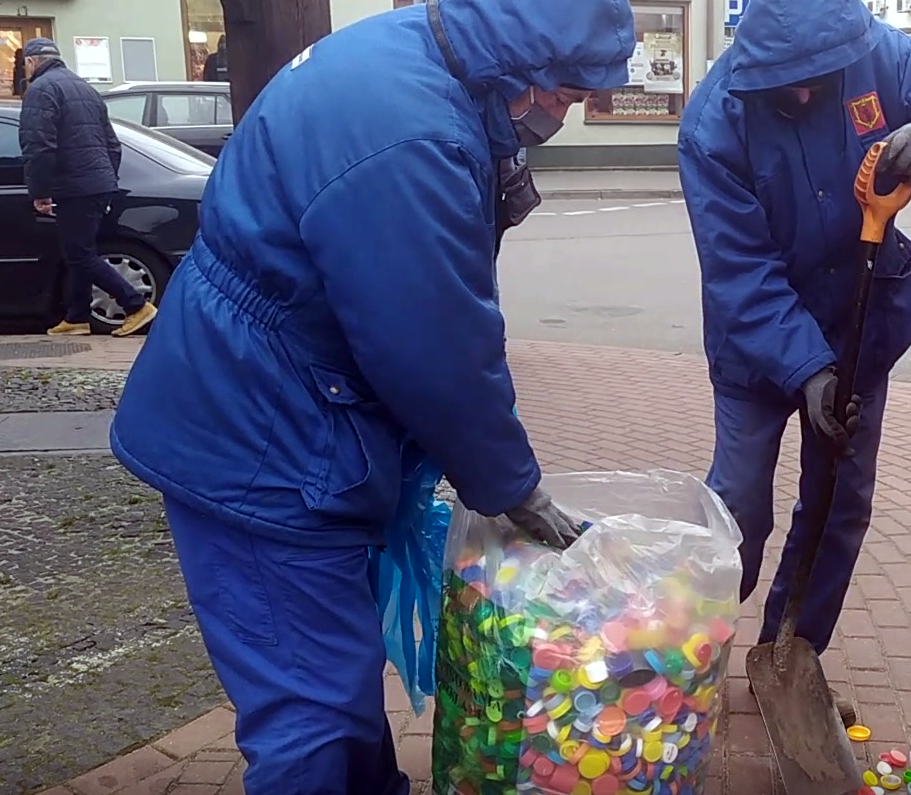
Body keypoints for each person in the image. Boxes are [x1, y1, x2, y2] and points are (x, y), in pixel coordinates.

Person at [108, 0, 634, 792]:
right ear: (514, 67)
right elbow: (433, 339)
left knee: (337, 685)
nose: (564, 112)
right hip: (258, 443)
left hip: (268, 404)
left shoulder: (418, 56)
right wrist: (510, 484)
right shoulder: (410, 136)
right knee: (311, 710)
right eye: (562, 92)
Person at [678, 0, 911, 721]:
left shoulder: (884, 58)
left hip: (859, 323)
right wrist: (806, 368)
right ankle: (687, 654)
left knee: (839, 504)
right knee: (738, 509)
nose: (804, 94)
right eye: (786, 83)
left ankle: (792, 657)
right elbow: (740, 272)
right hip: (758, 347)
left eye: (817, 80)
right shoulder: (714, 120)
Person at [17, 37, 157, 337]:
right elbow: (112, 144)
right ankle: (77, 317)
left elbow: (38, 147)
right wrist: (107, 178)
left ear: (31, 62)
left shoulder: (41, 90)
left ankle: (136, 305)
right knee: (81, 250)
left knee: (79, 253)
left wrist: (40, 191)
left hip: (73, 186)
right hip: (96, 183)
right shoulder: (84, 88)